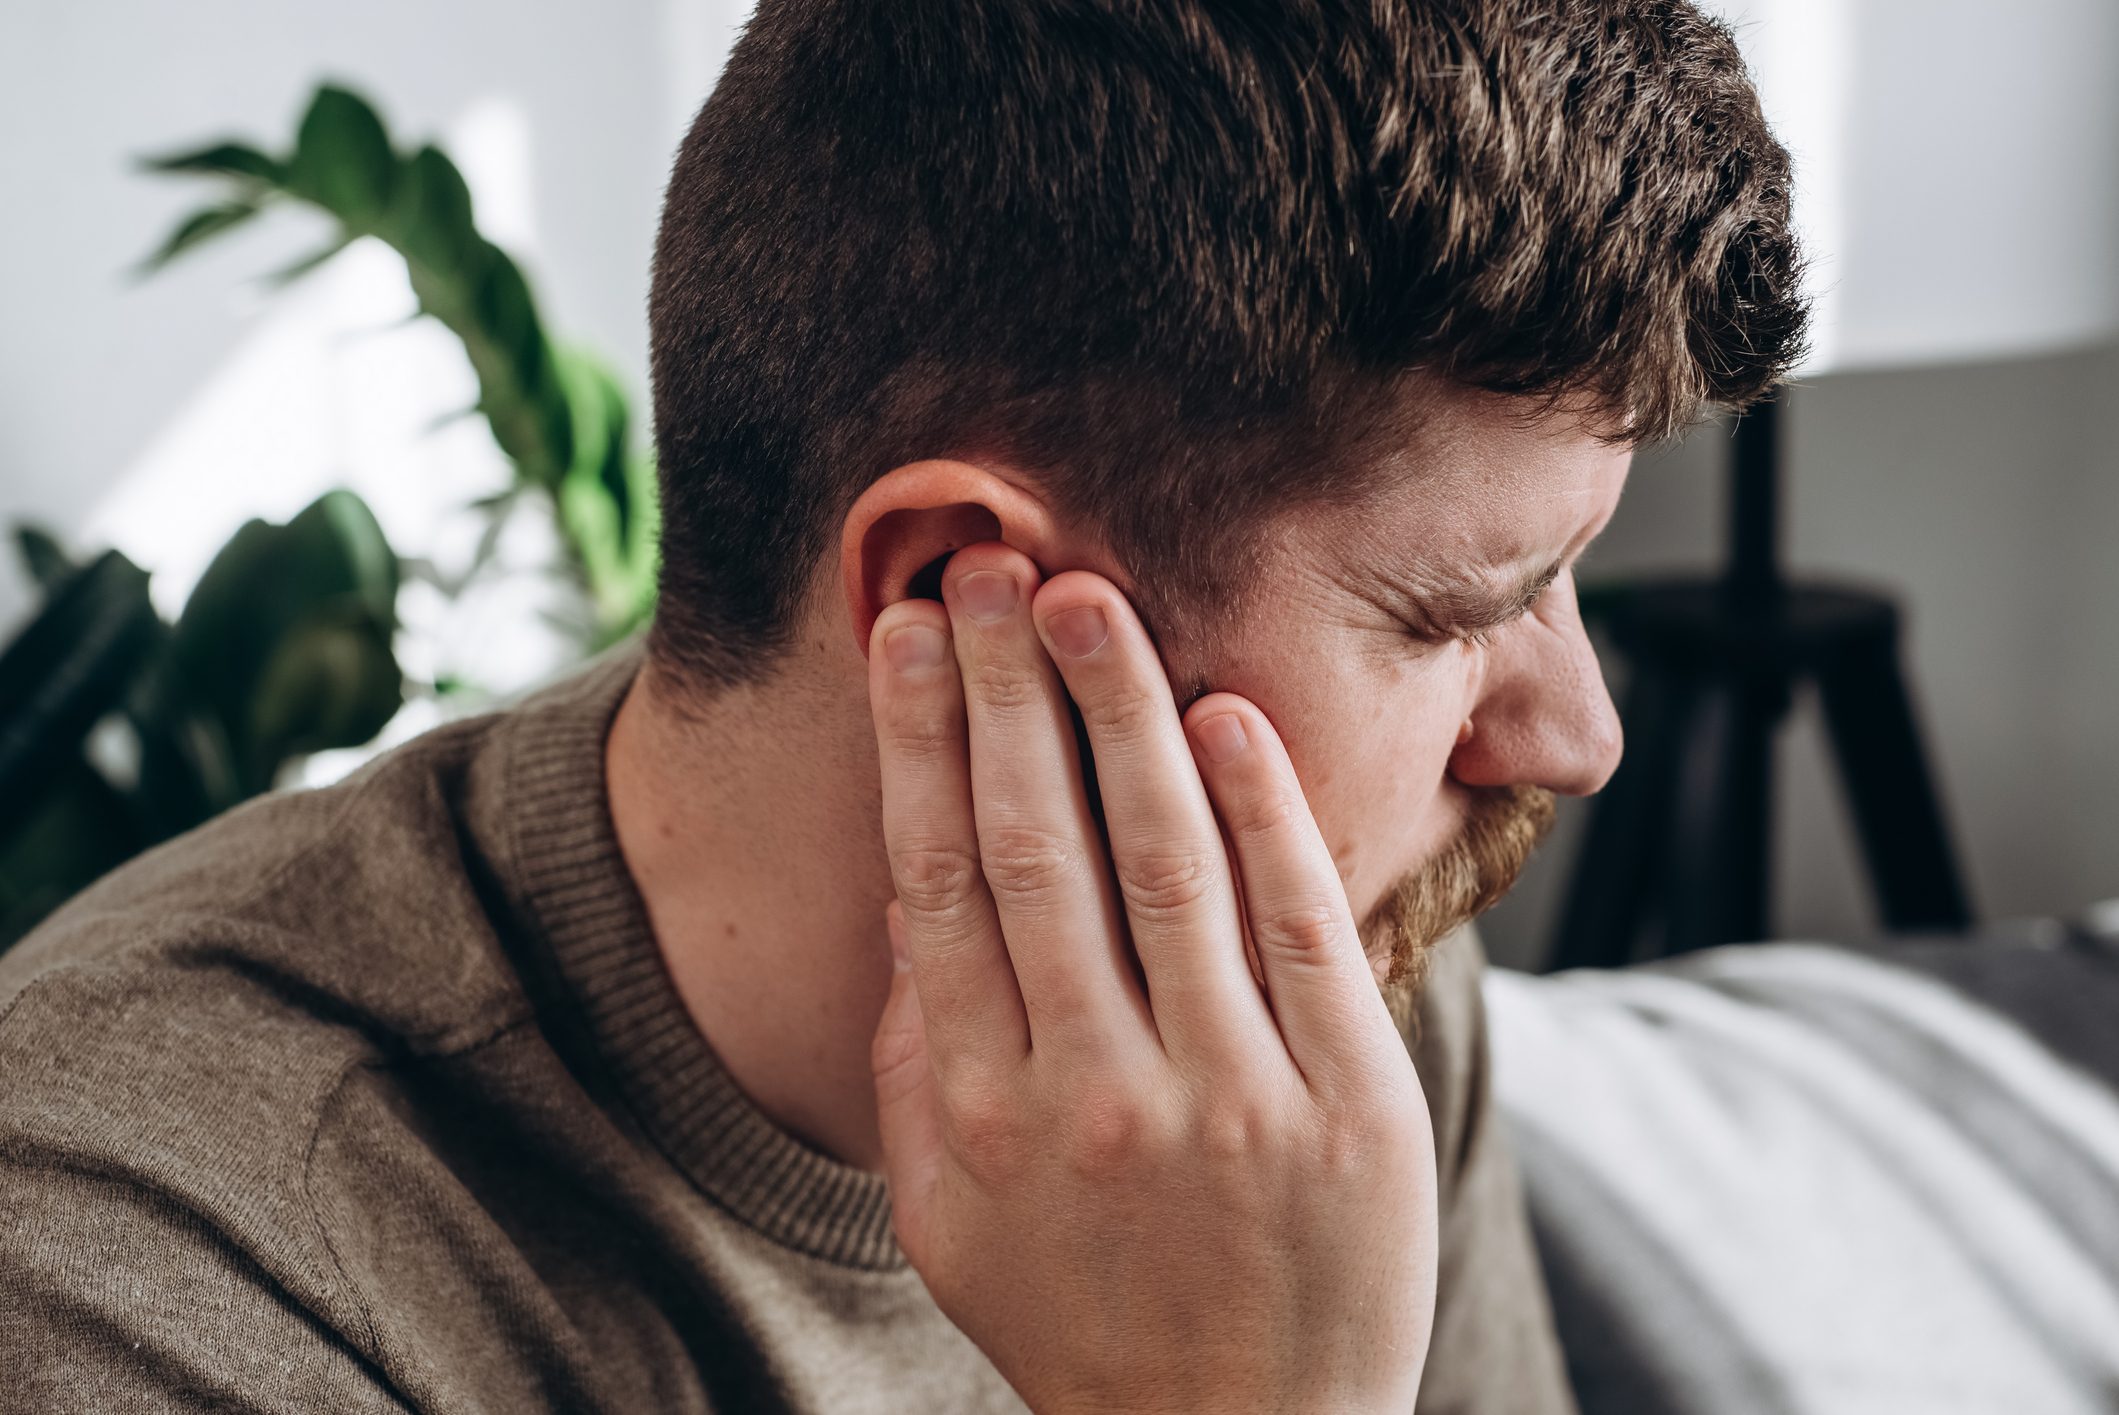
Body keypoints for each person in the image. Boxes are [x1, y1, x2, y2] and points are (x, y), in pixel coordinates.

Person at [0, 0, 1807, 1410]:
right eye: (1458, 612)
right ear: (957, 591)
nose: (1578, 738)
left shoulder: (1321, 979)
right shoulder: (133, 1266)